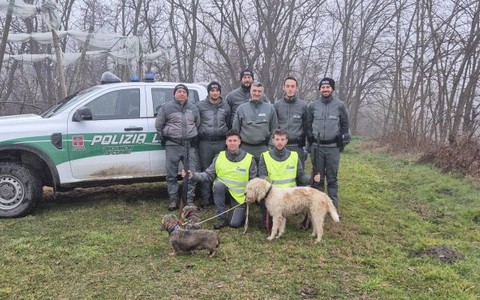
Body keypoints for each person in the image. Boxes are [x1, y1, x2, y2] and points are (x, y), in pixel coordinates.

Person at [182, 130, 257, 229]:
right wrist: (192, 175)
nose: (232, 143)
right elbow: (207, 175)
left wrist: (250, 195)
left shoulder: (249, 159)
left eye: (235, 140)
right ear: (226, 142)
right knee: (218, 185)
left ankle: (234, 210)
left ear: (239, 142)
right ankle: (221, 217)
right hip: (222, 192)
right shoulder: (219, 157)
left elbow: (253, 181)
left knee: (234, 224)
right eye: (230, 140)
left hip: (240, 196)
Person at [257, 128, 319, 230]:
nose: (279, 142)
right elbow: (262, 177)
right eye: (277, 139)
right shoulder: (265, 156)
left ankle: (307, 221)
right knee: (267, 227)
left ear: (286, 141)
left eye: (282, 139)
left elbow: (301, 175)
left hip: (291, 194)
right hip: (273, 195)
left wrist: (311, 179)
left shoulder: (294, 156)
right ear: (273, 141)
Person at [155, 84, 201, 211]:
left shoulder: (193, 108)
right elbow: (159, 125)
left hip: (189, 145)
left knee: (192, 173)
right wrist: (166, 135)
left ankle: (190, 200)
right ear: (174, 94)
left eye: (184, 92)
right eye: (179, 91)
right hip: (172, 144)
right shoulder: (166, 108)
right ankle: (174, 199)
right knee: (171, 174)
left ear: (187, 94)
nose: (182, 94)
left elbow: (198, 123)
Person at [306, 77, 350, 211]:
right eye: (323, 87)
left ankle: (332, 207)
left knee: (332, 178)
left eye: (328, 87)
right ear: (319, 89)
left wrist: (341, 142)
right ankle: (317, 207)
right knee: (317, 178)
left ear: (332, 89)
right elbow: (308, 125)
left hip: (332, 148)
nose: (325, 89)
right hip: (317, 147)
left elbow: (345, 125)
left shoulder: (340, 105)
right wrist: (310, 141)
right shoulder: (313, 106)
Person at [195, 81, 231, 208]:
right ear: (209, 92)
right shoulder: (200, 106)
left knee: (220, 170)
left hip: (221, 142)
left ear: (220, 92)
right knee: (206, 170)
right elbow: (197, 122)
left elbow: (228, 123)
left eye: (217, 90)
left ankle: (219, 198)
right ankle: (205, 198)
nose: (215, 93)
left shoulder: (226, 106)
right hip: (205, 142)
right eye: (212, 90)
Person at [232, 82, 278, 162]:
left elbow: (274, 130)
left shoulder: (270, 108)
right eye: (254, 91)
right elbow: (235, 131)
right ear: (250, 91)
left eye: (259, 91)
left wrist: (270, 147)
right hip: (244, 149)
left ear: (263, 93)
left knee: (264, 173)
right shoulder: (241, 108)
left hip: (263, 149)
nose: (256, 93)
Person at [274, 76, 308, 168]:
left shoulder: (303, 106)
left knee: (298, 174)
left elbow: (306, 126)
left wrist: (305, 144)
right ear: (283, 87)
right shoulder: (277, 105)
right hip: (281, 146)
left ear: (296, 88)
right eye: (288, 86)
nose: (290, 89)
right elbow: (273, 126)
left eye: (292, 86)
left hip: (297, 146)